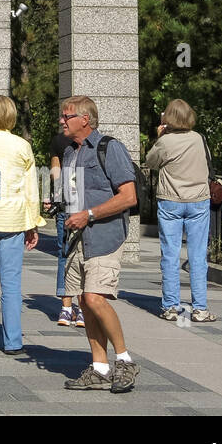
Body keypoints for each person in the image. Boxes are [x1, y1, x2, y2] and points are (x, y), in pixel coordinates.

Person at [58, 95, 140, 393]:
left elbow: (128, 197)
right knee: (83, 302)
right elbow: (76, 193)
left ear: (85, 120)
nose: (62, 121)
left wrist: (89, 214)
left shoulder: (110, 147)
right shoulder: (70, 153)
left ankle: (125, 360)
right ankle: (100, 368)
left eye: (67, 116)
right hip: (78, 239)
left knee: (94, 298)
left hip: (104, 236)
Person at [0, 96, 44, 355]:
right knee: (12, 284)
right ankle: (13, 340)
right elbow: (31, 189)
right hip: (13, 219)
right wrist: (33, 223)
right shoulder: (22, 145)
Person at [145, 99, 217, 323]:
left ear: (168, 119)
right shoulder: (199, 139)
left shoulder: (165, 142)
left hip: (170, 201)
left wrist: (159, 137)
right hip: (198, 200)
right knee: (197, 256)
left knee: (170, 254)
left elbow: (151, 162)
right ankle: (200, 308)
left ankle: (171, 306)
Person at [47, 125, 84, 328]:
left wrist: (55, 194)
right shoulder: (93, 141)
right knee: (85, 256)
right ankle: (82, 309)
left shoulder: (58, 141)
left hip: (66, 204)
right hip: (87, 205)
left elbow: (54, 173)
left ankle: (66, 308)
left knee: (64, 254)